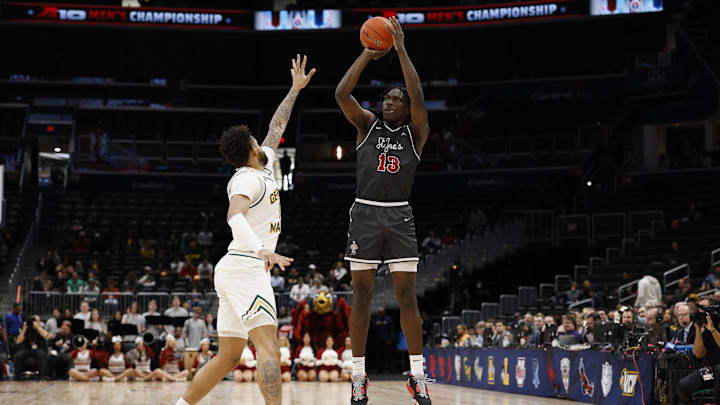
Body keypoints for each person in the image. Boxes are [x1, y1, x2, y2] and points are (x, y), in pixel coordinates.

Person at [175, 54, 313, 405]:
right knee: (269, 347)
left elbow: (278, 126)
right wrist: (263, 250)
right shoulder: (245, 180)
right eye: (255, 138)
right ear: (250, 149)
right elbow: (234, 216)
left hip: (234, 268)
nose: (260, 139)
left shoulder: (263, 163)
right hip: (246, 266)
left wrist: (294, 90)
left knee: (229, 356)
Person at [335, 16, 432, 405]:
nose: (387, 102)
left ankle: (418, 376)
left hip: (399, 215)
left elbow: (419, 94)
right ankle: (358, 376)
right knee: (361, 295)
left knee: (407, 296)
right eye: (385, 99)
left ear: (406, 108)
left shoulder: (416, 132)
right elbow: (342, 94)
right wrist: (368, 53)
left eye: (395, 100)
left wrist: (401, 49)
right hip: (365, 214)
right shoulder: (367, 127)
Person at [675, 310, 720, 403]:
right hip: (710, 371)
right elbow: (699, 354)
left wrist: (713, 330)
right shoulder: (708, 330)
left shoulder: (712, 329)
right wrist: (698, 330)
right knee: (683, 386)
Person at [12, 315, 51, 380]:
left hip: (40, 349)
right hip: (28, 349)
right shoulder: (26, 329)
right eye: (33, 320)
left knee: (41, 354)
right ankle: (18, 376)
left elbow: (46, 336)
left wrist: (37, 327)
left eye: (36, 320)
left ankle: (42, 376)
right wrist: (24, 328)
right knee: (17, 356)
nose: (34, 322)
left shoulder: (40, 328)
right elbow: (18, 341)